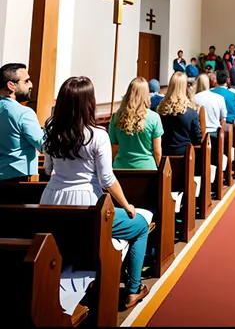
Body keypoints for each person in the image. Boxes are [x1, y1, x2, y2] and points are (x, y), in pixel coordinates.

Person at [39, 76, 150, 308]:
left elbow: (48, 169)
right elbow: (107, 179)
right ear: (89, 102)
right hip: (87, 205)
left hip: (52, 200)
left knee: (66, 235)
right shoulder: (97, 135)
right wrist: (127, 205)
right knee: (140, 225)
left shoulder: (51, 130)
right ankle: (133, 288)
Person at [0, 63, 44, 182]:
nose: (31, 85)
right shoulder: (23, 113)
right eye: (26, 81)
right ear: (11, 85)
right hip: (17, 177)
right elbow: (43, 143)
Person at [109, 77, 164, 170]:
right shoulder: (154, 118)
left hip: (121, 168)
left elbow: (114, 147)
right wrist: (160, 169)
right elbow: (157, 151)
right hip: (146, 169)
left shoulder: (116, 117)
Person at [157, 72, 202, 156]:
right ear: (184, 88)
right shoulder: (191, 113)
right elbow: (197, 139)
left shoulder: (161, 110)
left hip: (164, 154)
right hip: (185, 156)